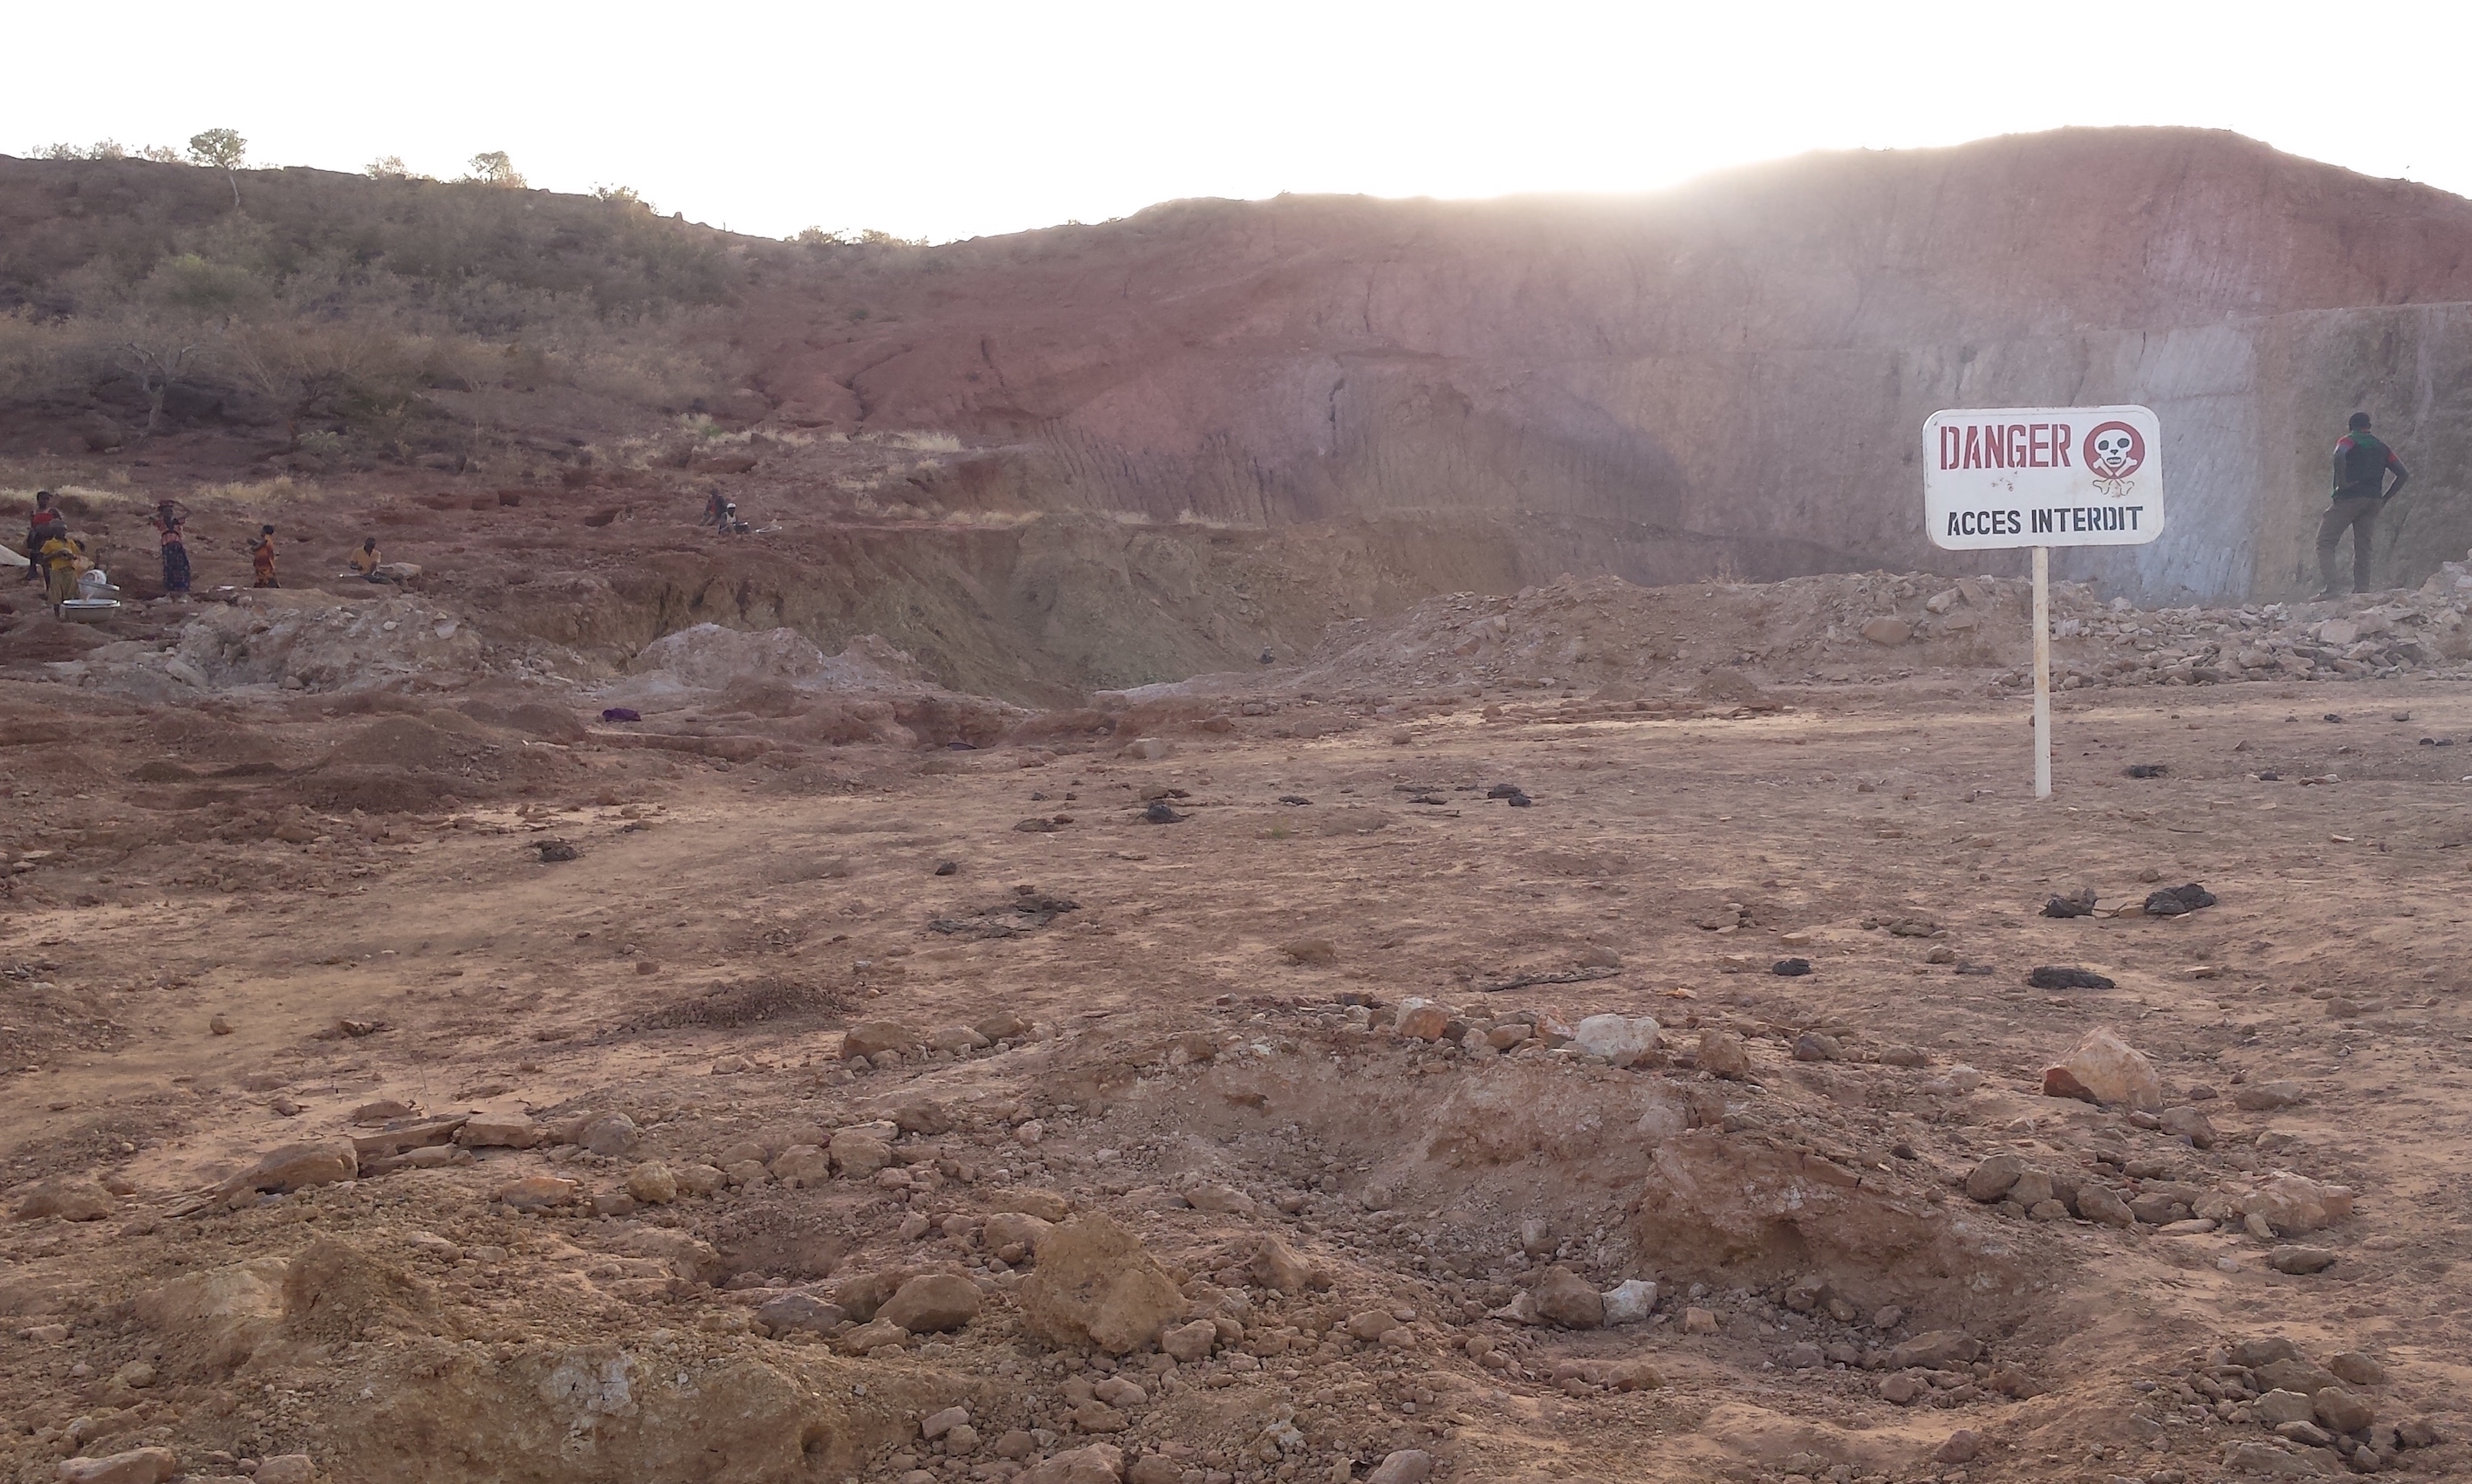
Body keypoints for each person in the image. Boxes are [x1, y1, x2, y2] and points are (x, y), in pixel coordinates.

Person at [2318, 412, 2409, 598]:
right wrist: (2385, 498)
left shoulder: (2348, 440)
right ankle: (2361, 592)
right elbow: (2403, 474)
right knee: (2363, 547)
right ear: (2369, 426)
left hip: (2350, 498)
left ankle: (2332, 589)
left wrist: (2341, 484)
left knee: (2325, 541)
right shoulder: (2382, 447)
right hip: (2374, 500)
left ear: (2351, 426)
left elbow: (2339, 456)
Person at [150, 499, 191, 598]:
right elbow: (151, 517)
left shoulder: (177, 522)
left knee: (181, 567)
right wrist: (159, 511)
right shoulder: (161, 523)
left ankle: (182, 589)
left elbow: (189, 512)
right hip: (167, 547)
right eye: (167, 511)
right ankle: (170, 590)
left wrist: (178, 504)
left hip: (177, 546)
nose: (169, 513)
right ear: (163, 513)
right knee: (169, 567)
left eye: (170, 511)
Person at [23, 492, 62, 587]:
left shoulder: (52, 511)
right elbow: (32, 525)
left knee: (48, 558)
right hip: (37, 536)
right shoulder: (34, 512)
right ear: (38, 500)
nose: (46, 501)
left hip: (49, 536)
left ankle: (51, 580)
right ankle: (33, 572)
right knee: (34, 554)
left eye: (47, 499)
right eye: (44, 499)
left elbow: (59, 524)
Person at [38, 528, 84, 610]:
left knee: (71, 593)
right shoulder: (50, 543)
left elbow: (77, 555)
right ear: (55, 532)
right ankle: (57, 615)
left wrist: (71, 556)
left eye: (64, 530)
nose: (63, 532)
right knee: (56, 594)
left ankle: (70, 614)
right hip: (57, 570)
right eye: (60, 530)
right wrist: (56, 554)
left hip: (70, 569)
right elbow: (42, 558)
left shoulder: (70, 542)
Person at [250, 524, 280, 588]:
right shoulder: (267, 539)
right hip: (263, 562)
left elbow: (259, 545)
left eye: (262, 530)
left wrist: (254, 547)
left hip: (264, 563)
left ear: (265, 531)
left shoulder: (266, 538)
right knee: (262, 575)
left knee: (266, 575)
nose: (261, 531)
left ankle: (273, 586)